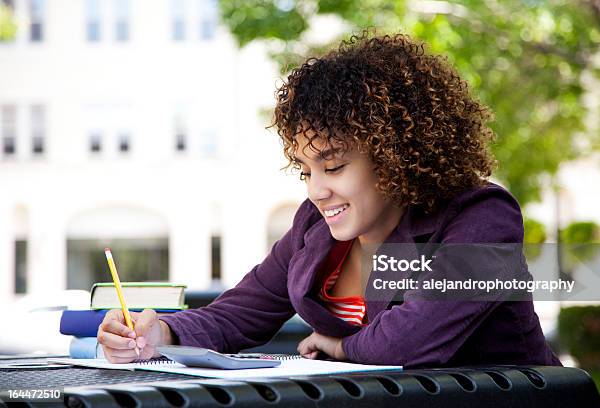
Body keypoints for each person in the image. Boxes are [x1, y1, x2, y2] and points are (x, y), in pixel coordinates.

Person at [97, 32, 561, 367]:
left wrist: (339, 346)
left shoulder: (481, 216)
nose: (317, 190)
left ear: (394, 153)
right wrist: (160, 332)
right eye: (305, 170)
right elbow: (242, 310)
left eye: (334, 166)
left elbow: (411, 339)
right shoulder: (315, 228)